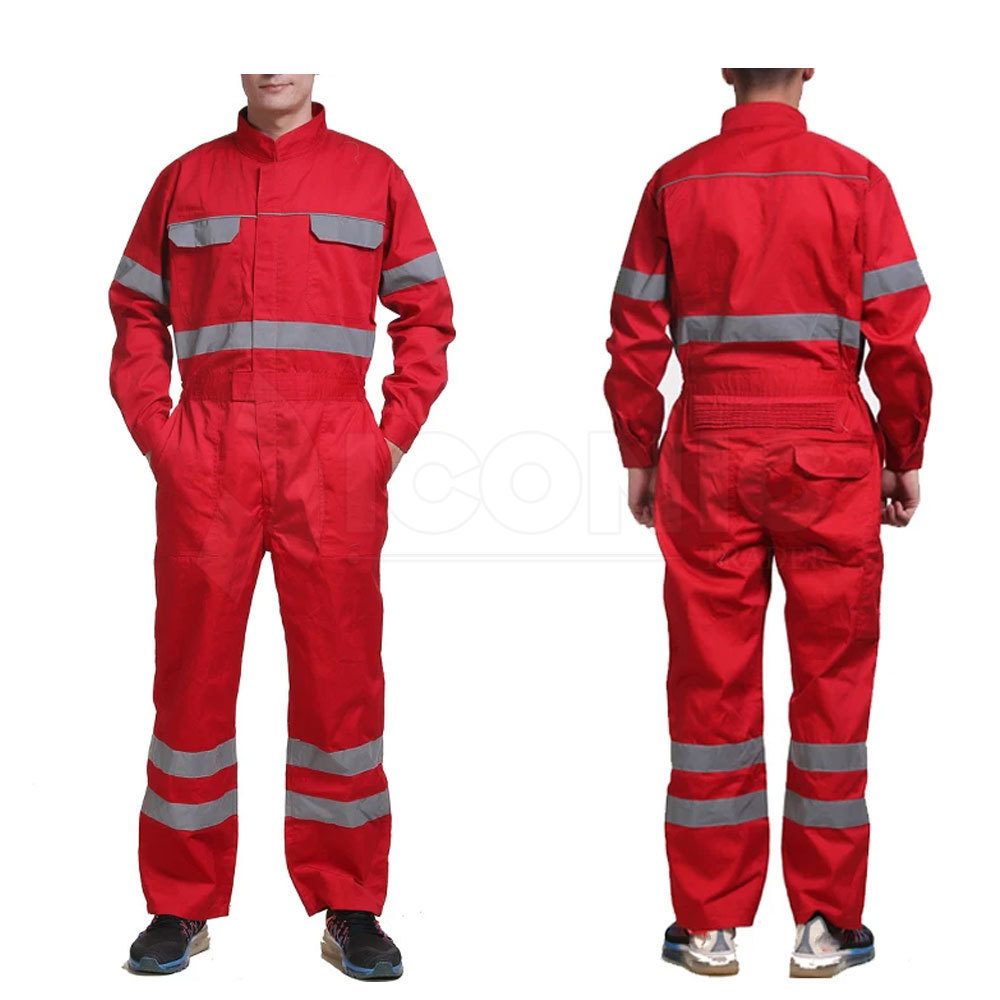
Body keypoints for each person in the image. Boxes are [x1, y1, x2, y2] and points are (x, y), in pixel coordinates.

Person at [110, 74, 455, 979]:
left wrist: (386, 439)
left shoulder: (372, 176)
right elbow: (136, 309)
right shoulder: (185, 180)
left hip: (332, 454)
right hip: (209, 452)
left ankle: (352, 903)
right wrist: (160, 434)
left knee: (342, 685)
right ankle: (179, 902)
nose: (274, 66)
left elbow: (428, 313)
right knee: (189, 677)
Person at [604, 68, 930, 978]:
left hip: (707, 447)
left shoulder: (675, 182)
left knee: (709, 679)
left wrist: (638, 449)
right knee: (833, 682)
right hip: (829, 450)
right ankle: (825, 924)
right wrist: (904, 447)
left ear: (727, 70)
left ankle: (709, 923)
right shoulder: (856, 179)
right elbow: (898, 337)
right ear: (807, 69)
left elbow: (634, 333)